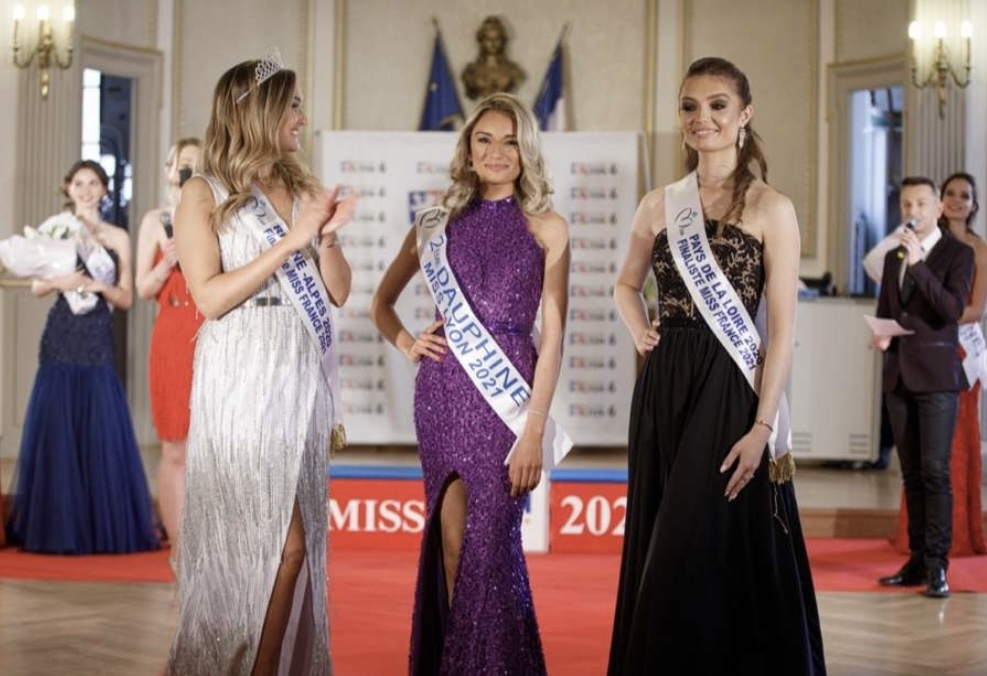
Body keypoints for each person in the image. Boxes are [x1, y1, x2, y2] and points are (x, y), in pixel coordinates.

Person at [607, 57, 826, 675]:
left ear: (744, 115)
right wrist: (639, 328)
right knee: (663, 540)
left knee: (699, 544)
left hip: (731, 389)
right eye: (689, 106)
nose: (701, 118)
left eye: (717, 105)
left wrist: (763, 427)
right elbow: (625, 286)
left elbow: (781, 331)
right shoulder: (659, 204)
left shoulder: (772, 208)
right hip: (664, 388)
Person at [165, 51, 356, 675]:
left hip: (298, 377)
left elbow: (337, 290)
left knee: (293, 548)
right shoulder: (204, 191)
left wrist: (326, 235)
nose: (302, 117)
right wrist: (291, 243)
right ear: (260, 111)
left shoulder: (302, 188)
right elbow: (210, 297)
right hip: (240, 378)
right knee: (278, 545)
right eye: (293, 105)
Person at [370, 93, 569, 675]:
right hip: (442, 395)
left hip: (507, 403)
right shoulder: (436, 224)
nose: (496, 152)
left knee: (493, 550)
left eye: (509, 141)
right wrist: (408, 344)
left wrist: (534, 430)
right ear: (468, 148)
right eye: (484, 139)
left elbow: (555, 335)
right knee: (453, 546)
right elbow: (382, 303)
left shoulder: (548, 228)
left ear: (526, 151)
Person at [4, 160, 159, 555]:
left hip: (96, 337)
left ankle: (98, 527)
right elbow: (38, 287)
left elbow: (126, 297)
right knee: (58, 429)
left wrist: (95, 284)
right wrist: (64, 281)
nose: (86, 190)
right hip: (60, 335)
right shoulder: (57, 228)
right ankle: (57, 527)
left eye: (94, 183)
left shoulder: (118, 237)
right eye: (79, 183)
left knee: (99, 427)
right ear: (68, 188)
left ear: (104, 190)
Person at [872, 176, 975, 598]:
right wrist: (881, 335)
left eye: (919, 203)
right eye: (905, 204)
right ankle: (916, 560)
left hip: (937, 378)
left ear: (938, 208)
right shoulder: (894, 254)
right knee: (911, 474)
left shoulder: (959, 254)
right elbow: (887, 308)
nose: (911, 211)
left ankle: (937, 565)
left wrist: (918, 264)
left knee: (935, 472)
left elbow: (952, 310)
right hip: (898, 374)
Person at [134, 137, 203, 566]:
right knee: (175, 445)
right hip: (173, 330)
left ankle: (208, 540)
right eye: (183, 164)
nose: (188, 170)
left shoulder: (215, 214)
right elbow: (142, 288)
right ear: (170, 170)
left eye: (197, 163)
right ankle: (178, 544)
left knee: (209, 444)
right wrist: (166, 263)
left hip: (211, 328)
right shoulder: (156, 220)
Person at [461, 16, 526, 100]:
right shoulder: (471, 71)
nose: (493, 43)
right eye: (488, 39)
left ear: (503, 41)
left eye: (497, 39)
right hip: (481, 107)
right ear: (481, 41)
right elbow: (471, 94)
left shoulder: (513, 70)